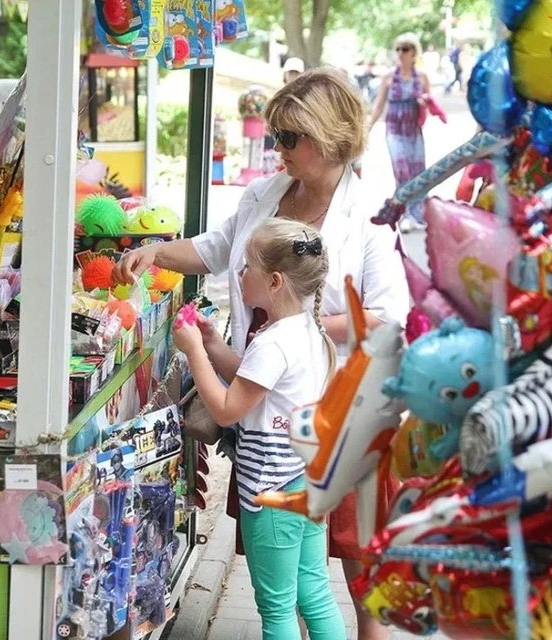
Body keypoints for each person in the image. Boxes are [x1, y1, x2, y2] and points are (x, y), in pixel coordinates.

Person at [113, 67, 408, 640]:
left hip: (342, 405)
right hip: (274, 409)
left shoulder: (369, 212)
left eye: (288, 138)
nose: (277, 149)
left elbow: (390, 316)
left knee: (353, 545)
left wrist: (303, 331)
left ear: (327, 138)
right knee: (304, 566)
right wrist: (156, 252)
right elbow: (216, 248)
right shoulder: (265, 193)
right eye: (275, 135)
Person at [172, 218, 344, 640]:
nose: (239, 273)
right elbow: (254, 383)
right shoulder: (306, 329)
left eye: (247, 266)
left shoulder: (272, 342)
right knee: (314, 593)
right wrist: (213, 343)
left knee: (276, 607)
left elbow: (230, 409)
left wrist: (194, 351)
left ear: (275, 281)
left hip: (270, 495)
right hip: (306, 481)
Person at [368, 33, 432, 233]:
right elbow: (378, 106)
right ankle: (405, 214)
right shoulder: (388, 78)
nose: (401, 53)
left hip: (413, 129)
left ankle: (417, 214)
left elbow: (429, 104)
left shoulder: (421, 77)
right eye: (398, 49)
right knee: (402, 169)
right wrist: (367, 127)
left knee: (418, 171)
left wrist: (424, 103)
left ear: (414, 52)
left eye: (405, 49)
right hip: (394, 129)